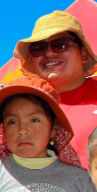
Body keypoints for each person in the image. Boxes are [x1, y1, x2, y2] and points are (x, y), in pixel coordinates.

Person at [13, 10, 97, 168]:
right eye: (39, 48)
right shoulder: (17, 105)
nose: (49, 53)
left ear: (84, 54)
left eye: (61, 45)